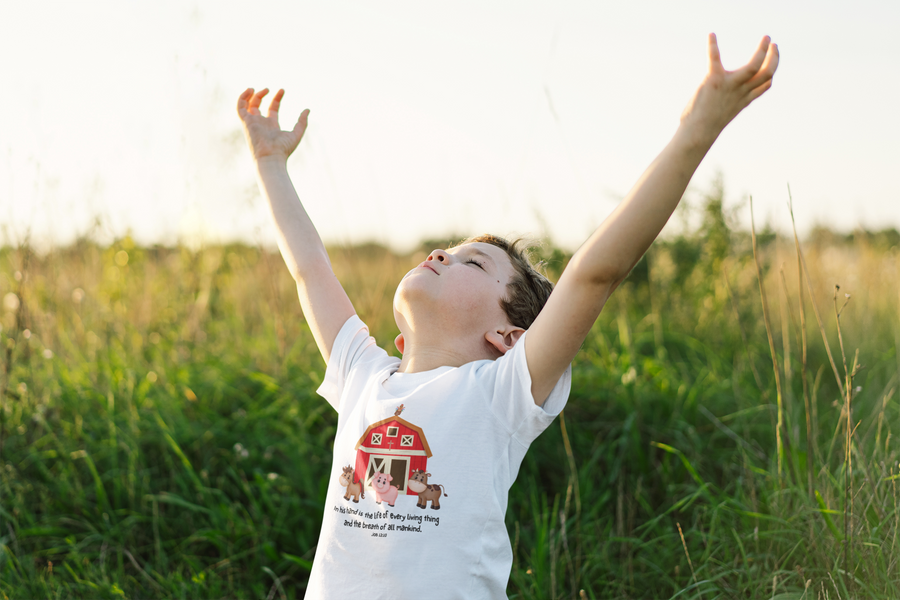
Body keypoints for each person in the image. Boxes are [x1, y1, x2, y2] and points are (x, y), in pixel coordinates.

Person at [237, 33, 778, 599]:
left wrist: (696, 131)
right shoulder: (363, 378)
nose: (440, 254)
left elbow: (595, 274)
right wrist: (270, 162)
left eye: (473, 261)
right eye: (446, 250)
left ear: (509, 336)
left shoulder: (499, 394)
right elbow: (309, 269)